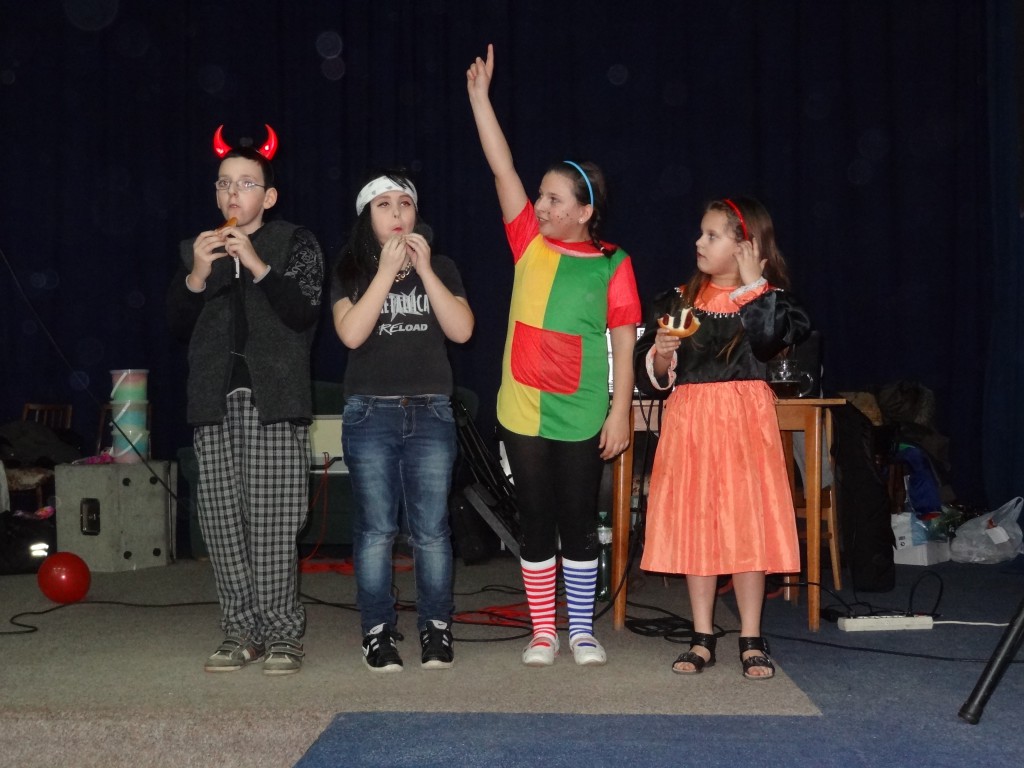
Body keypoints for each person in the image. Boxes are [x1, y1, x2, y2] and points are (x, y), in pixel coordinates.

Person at [467, 45, 642, 667]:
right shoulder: (527, 243)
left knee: (578, 522)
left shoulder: (614, 264)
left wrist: (620, 411)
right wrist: (480, 100)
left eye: (554, 199)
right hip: (522, 408)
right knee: (535, 522)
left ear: (585, 211)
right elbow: (502, 169)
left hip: (582, 409)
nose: (540, 206)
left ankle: (582, 632)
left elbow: (624, 342)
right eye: (539, 196)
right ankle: (544, 631)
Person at [167, 126, 324, 676]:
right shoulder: (197, 249)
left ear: (269, 196)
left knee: (274, 525)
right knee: (221, 523)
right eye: (224, 183)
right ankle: (239, 631)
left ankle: (282, 634)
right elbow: (177, 326)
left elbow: (303, 312)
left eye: (246, 183)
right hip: (212, 403)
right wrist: (196, 274)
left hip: (273, 402)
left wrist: (256, 264)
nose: (233, 193)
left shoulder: (296, 242)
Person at [633, 196, 811, 680]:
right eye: (701, 232)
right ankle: (702, 635)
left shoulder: (770, 299)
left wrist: (754, 287)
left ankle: (751, 636)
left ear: (745, 246)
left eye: (712, 235)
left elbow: (771, 342)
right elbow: (651, 377)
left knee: (746, 524)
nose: (699, 242)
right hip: (692, 422)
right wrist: (662, 355)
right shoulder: (677, 301)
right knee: (699, 526)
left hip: (744, 422)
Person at [331, 169, 474, 673]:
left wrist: (425, 270)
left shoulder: (443, 266)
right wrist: (384, 274)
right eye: (384, 204)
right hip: (370, 412)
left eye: (405, 203)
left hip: (431, 410)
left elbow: (462, 330)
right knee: (375, 529)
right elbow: (351, 334)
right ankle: (377, 630)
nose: (397, 213)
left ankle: (436, 625)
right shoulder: (349, 268)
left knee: (432, 529)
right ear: (366, 216)